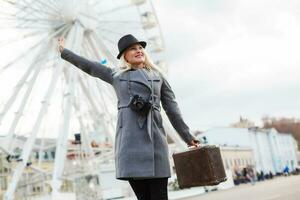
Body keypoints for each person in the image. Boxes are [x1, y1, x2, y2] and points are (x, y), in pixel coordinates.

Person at [58, 34, 199, 200]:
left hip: (155, 143)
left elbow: (172, 109)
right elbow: (90, 67)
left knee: (160, 196)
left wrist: (188, 137)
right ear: (124, 55)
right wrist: (64, 52)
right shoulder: (116, 76)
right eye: (133, 48)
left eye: (140, 48)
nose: (139, 51)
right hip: (130, 145)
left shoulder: (158, 76)